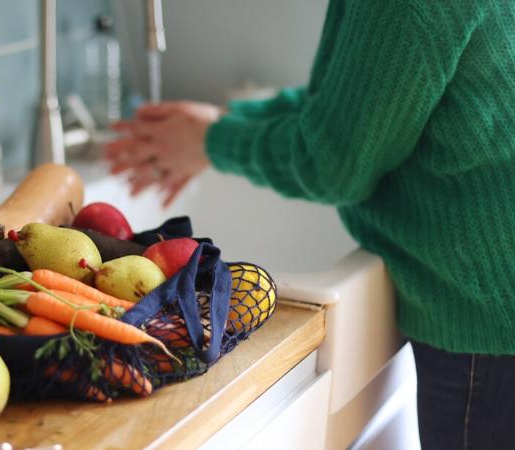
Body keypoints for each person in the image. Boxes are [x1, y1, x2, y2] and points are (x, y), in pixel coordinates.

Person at [105, 1, 515, 449]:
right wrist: (221, 127)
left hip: (487, 314)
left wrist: (215, 140)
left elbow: (334, 163)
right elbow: (356, 103)